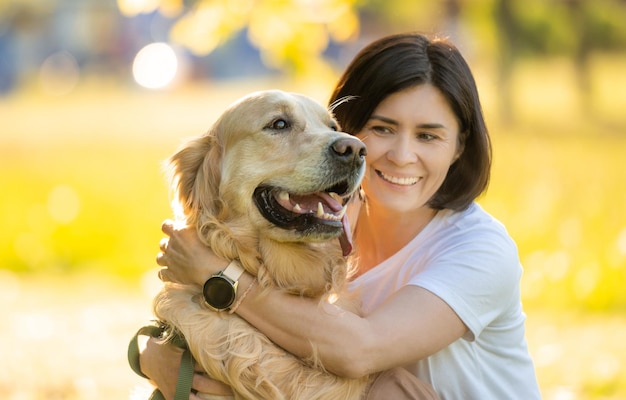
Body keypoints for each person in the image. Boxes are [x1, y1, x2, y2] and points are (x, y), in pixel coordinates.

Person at [141, 32, 541, 399]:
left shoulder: (481, 249)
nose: (402, 155)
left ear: (457, 148)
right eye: (382, 129)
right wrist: (149, 354)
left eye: (428, 136)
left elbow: (357, 352)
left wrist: (217, 278)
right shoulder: (325, 218)